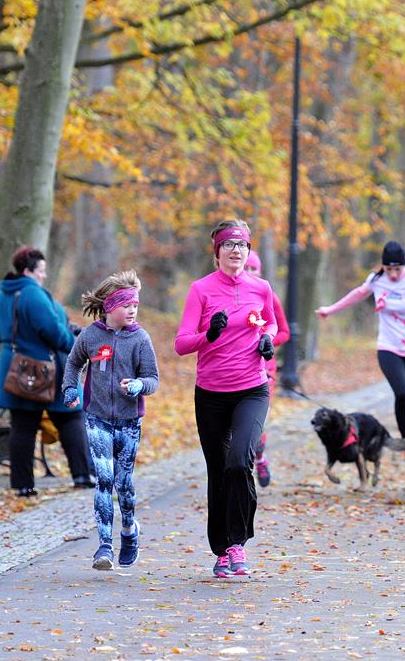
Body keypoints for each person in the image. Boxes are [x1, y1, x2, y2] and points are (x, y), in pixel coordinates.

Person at [175, 219, 277, 578]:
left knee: (239, 461)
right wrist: (209, 334)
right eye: (229, 244)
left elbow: (271, 324)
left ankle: (238, 543)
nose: (236, 250)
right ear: (217, 251)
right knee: (218, 471)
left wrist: (267, 340)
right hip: (211, 394)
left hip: (252, 389)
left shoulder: (261, 287)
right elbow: (181, 343)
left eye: (242, 245)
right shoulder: (200, 290)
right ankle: (221, 551)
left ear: (249, 251)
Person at [316, 241, 405, 479]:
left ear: (404, 266)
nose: (392, 274)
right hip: (389, 347)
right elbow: (357, 294)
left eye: (397, 269)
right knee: (402, 394)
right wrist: (330, 310)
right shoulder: (376, 279)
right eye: (388, 269)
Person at [63, 270, 159, 570]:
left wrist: (139, 385)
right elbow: (73, 363)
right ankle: (104, 546)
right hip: (97, 417)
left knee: (123, 483)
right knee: (104, 479)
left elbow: (153, 379)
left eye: (135, 305)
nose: (132, 310)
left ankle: (129, 530)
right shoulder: (91, 336)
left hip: (129, 421)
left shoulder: (140, 338)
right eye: (126, 305)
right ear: (110, 306)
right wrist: (70, 388)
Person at [0, 246, 94, 497]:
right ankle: (83, 475)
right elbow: (53, 332)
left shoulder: (2, 294)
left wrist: (13, 344)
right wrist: (76, 346)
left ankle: (23, 486)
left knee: (22, 426)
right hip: (45, 370)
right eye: (40, 270)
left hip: (14, 370)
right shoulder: (33, 294)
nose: (44, 275)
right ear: (27, 271)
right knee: (70, 416)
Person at [244, 250, 290, 487]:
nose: (249, 272)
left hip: (264, 369)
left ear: (260, 271)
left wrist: (266, 341)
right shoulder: (231, 297)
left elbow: (284, 332)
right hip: (236, 367)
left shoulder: (268, 295)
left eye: (253, 268)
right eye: (246, 268)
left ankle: (259, 457)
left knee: (256, 421)